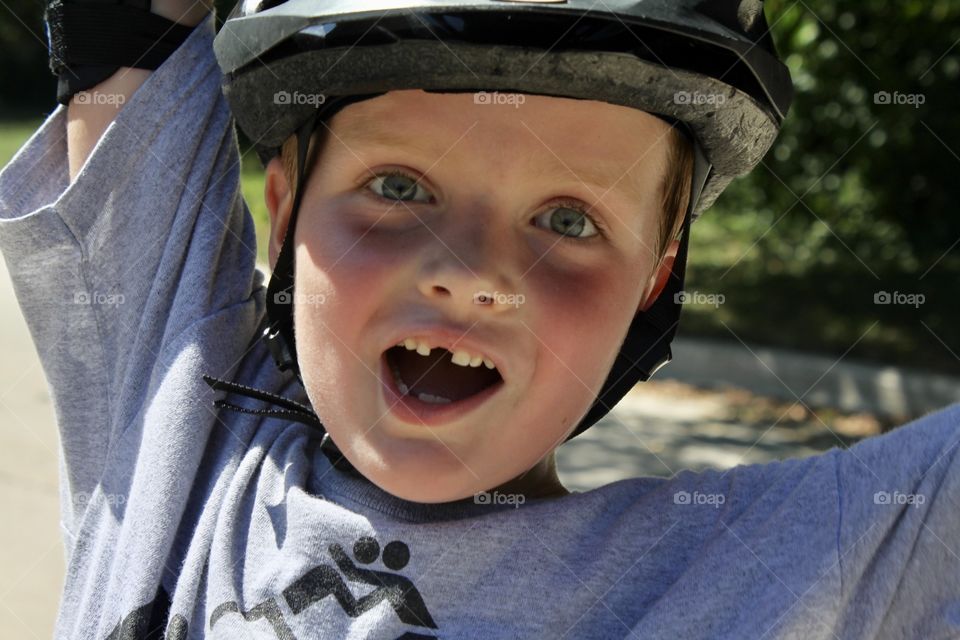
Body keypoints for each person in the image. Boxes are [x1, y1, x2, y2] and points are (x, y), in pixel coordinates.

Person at [0, 0, 957, 637]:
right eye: (398, 186)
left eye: (569, 220)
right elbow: (127, 30)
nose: (471, 277)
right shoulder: (179, 417)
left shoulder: (756, 571)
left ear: (654, 281)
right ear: (285, 212)